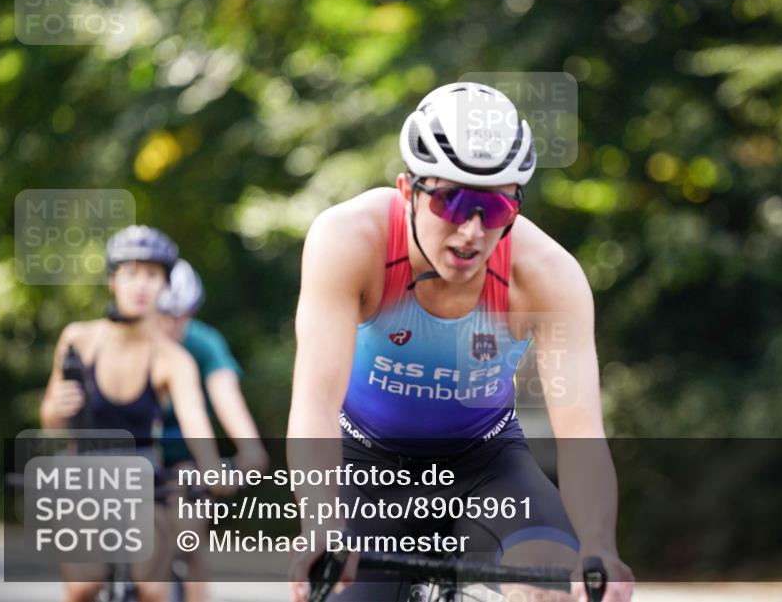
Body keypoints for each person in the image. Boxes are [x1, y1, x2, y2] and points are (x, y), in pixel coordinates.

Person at [287, 82, 635, 601]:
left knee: (549, 585)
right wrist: (322, 524)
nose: (472, 230)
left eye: (493, 209)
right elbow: (315, 401)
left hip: (485, 463)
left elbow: (581, 430)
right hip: (365, 464)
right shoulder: (350, 240)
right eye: (452, 201)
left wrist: (599, 545)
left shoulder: (547, 275)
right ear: (408, 190)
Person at [40, 225, 232, 602]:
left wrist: (212, 469)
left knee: (152, 588)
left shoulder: (173, 359)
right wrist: (56, 407)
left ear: (164, 283)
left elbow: (196, 423)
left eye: (152, 274)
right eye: (131, 273)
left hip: (144, 481)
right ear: (113, 280)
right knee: (83, 586)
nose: (141, 285)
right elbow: (49, 420)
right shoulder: (78, 338)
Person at [157, 258, 269, 602]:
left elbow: (226, 397)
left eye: (184, 314)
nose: (175, 324)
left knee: (188, 539)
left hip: (185, 461)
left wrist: (249, 451)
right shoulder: (122, 342)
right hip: (128, 457)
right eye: (166, 314)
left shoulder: (203, 343)